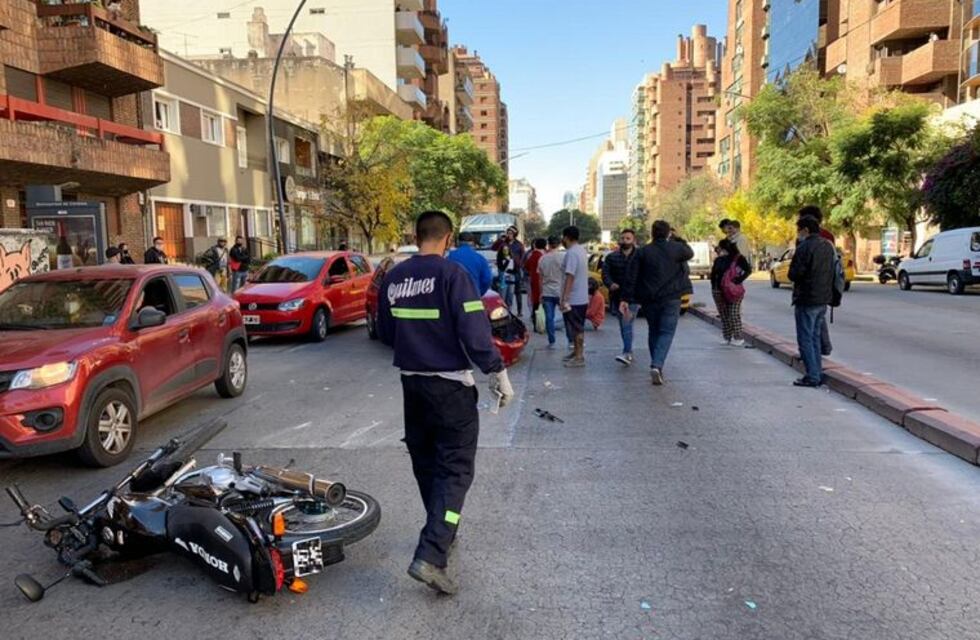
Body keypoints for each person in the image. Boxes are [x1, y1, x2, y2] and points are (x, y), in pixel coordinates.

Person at [376, 210, 514, 596]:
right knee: (455, 472)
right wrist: (496, 371)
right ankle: (432, 555)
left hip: (412, 385)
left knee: (426, 463)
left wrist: (417, 343)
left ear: (415, 236)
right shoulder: (454, 275)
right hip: (451, 388)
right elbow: (474, 331)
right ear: (448, 238)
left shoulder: (395, 277)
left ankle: (441, 531)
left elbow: (385, 331)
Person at [621, 220, 693, 386]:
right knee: (666, 332)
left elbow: (631, 276)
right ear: (668, 233)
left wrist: (625, 298)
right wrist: (678, 238)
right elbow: (689, 252)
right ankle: (657, 365)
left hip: (649, 298)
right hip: (672, 297)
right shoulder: (677, 249)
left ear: (652, 233)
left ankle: (656, 363)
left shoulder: (643, 252)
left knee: (653, 330)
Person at [788, 216, 836, 387]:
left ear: (805, 230)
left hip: (806, 298)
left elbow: (794, 274)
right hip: (823, 298)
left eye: (798, 230)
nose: (798, 234)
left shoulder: (804, 247)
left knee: (806, 338)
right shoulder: (827, 246)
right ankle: (817, 372)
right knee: (815, 337)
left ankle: (812, 376)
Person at [797, 205, 834, 356]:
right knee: (818, 320)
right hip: (824, 286)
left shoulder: (805, 240)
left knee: (808, 330)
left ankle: (815, 353)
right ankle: (822, 348)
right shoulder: (828, 237)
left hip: (809, 289)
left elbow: (798, 267)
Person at [602, 228, 639, 366]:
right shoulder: (612, 257)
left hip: (634, 297)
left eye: (628, 238)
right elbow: (605, 273)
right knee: (625, 324)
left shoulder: (640, 256)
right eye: (623, 238)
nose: (625, 241)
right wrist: (610, 284)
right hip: (617, 296)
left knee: (626, 322)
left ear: (634, 240)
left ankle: (627, 352)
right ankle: (628, 350)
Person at [710, 239, 752, 346]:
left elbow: (748, 270)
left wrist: (738, 280)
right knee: (724, 315)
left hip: (733, 290)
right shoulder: (718, 260)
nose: (718, 250)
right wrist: (714, 286)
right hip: (718, 290)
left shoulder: (738, 258)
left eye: (720, 248)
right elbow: (713, 274)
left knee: (733, 314)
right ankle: (727, 336)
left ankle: (738, 337)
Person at [559, 226, 590, 368]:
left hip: (574, 299)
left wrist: (565, 298)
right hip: (581, 297)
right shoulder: (581, 250)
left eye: (563, 237)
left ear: (566, 237)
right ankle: (576, 352)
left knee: (576, 328)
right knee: (575, 327)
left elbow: (570, 276)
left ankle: (579, 356)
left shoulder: (571, 253)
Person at [537, 236, 564, 349]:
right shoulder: (563, 257)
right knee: (567, 316)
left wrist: (541, 293)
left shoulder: (542, 259)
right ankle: (571, 340)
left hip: (547, 291)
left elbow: (540, 278)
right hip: (560, 291)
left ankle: (552, 340)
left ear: (548, 244)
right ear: (559, 244)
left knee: (549, 317)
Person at [491, 226, 525, 315]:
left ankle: (516, 311)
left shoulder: (519, 244)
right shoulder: (503, 243)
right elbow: (493, 248)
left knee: (514, 292)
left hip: (514, 271)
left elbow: (523, 257)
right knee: (502, 292)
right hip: (503, 271)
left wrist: (518, 265)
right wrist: (500, 239)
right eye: (508, 233)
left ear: (515, 234)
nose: (509, 235)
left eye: (511, 233)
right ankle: (502, 311)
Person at [523, 238, 546, 332]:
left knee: (535, 302)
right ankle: (541, 323)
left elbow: (526, 266)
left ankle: (536, 322)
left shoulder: (533, 255)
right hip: (542, 281)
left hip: (533, 280)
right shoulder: (543, 256)